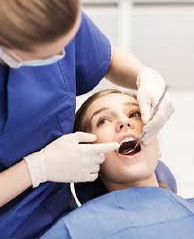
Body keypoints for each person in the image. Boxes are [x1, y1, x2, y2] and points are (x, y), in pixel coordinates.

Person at [0, 0, 174, 238]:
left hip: (59, 215)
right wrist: (35, 170)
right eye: (103, 120)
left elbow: (105, 59)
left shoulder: (48, 8)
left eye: (134, 114)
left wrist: (144, 75)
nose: (63, 56)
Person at [41, 89, 194, 239]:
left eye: (134, 114)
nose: (124, 122)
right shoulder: (72, 231)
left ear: (157, 146)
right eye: (103, 121)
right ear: (87, 156)